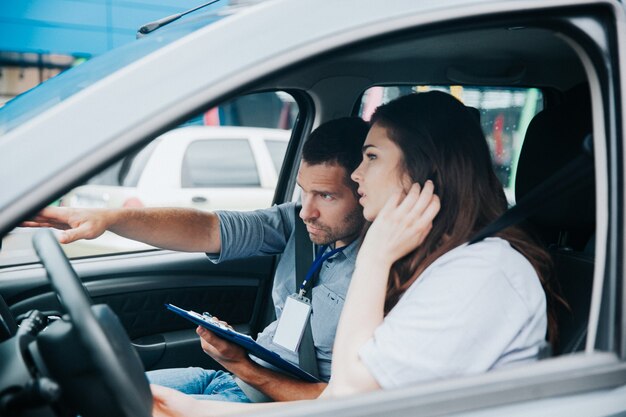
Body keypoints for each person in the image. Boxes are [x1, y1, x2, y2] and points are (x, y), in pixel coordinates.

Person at [150, 91, 559, 416]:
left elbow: (348, 399)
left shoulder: (480, 273)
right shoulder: (432, 263)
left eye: (372, 157)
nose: (359, 173)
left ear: (422, 169)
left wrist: (375, 256)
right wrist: (197, 409)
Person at [23, 117, 369, 402]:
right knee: (83, 399)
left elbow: (336, 401)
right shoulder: (294, 223)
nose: (306, 211)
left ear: (366, 190)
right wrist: (109, 219)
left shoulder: (387, 274)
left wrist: (242, 364)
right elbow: (206, 228)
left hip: (272, 401)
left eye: (326, 195)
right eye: (303, 191)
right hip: (227, 378)